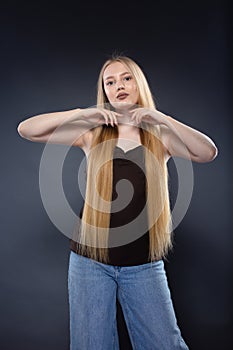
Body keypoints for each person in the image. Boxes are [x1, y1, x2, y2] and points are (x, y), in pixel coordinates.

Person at [17, 55, 218, 350]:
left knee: (165, 344)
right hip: (90, 263)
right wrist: (82, 113)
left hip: (144, 265)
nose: (119, 86)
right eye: (109, 82)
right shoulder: (92, 134)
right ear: (105, 91)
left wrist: (162, 118)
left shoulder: (158, 137)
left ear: (138, 84)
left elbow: (207, 152)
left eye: (126, 78)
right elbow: (27, 129)